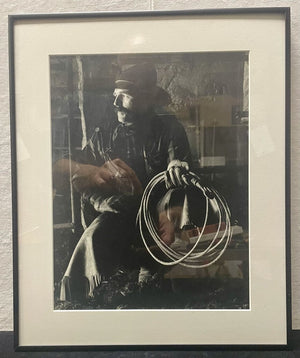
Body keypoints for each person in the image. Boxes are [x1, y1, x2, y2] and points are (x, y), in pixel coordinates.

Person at [53, 63, 193, 301]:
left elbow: (179, 170)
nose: (116, 104)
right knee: (96, 236)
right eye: (114, 97)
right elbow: (80, 177)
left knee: (153, 289)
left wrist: (176, 174)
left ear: (147, 99)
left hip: (158, 218)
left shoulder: (169, 129)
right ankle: (88, 297)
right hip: (118, 214)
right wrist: (103, 195)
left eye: (125, 97)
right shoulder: (104, 134)